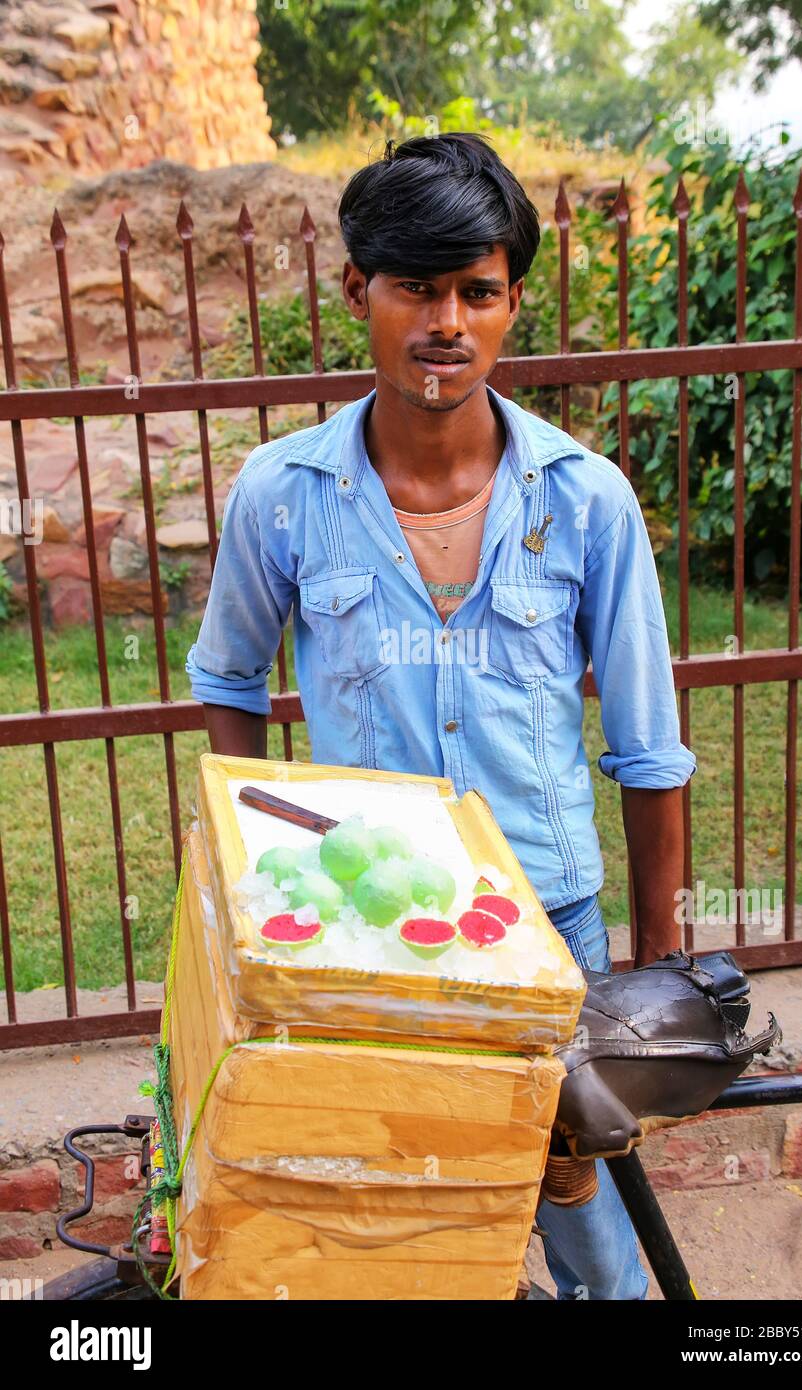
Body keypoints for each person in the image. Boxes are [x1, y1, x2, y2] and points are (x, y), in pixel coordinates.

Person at [185, 132, 696, 1300]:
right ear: (357, 288)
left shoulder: (583, 501)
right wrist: (258, 864)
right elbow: (227, 680)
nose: (445, 323)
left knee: (579, 1205)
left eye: (477, 290)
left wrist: (660, 955)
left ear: (514, 302)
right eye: (414, 286)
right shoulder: (284, 494)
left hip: (548, 923)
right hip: (371, 925)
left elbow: (646, 741)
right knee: (393, 1209)